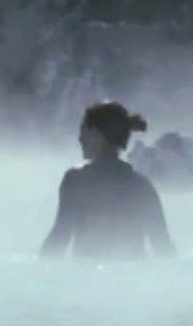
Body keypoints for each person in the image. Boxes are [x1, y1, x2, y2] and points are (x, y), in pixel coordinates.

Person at [40, 100, 176, 260]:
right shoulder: (143, 187)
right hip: (133, 279)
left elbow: (59, 239)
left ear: (96, 135)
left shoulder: (76, 181)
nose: (79, 138)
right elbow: (164, 248)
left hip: (85, 278)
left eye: (82, 131)